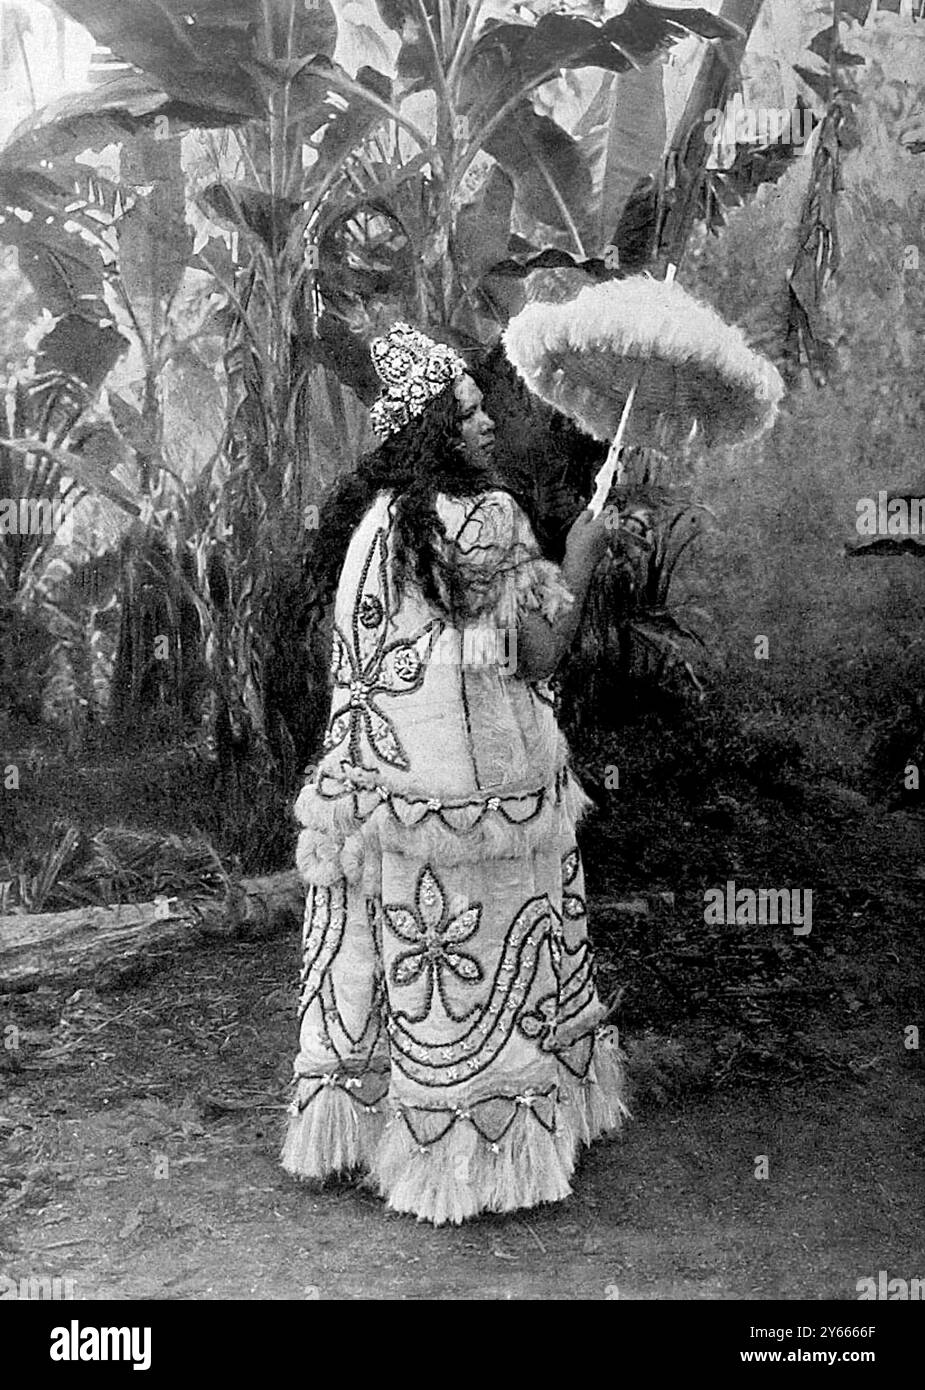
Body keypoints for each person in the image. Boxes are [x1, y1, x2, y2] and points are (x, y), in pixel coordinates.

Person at [282, 322, 628, 1224]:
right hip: (478, 793)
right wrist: (584, 548)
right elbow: (543, 653)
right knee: (481, 954)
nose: (483, 429)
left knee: (401, 954)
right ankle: (479, 1159)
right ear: (434, 428)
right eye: (467, 416)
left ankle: (368, 1138)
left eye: (481, 412)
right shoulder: (485, 521)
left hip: (381, 784)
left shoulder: (374, 529)